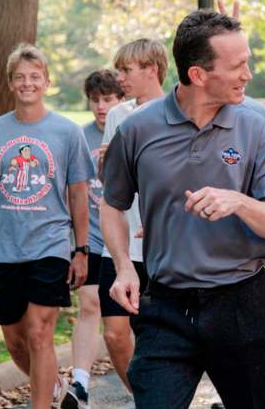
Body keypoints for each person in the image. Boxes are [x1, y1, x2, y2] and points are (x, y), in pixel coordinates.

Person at [100, 9, 265, 409]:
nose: (248, 74)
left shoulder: (254, 128)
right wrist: (122, 266)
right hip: (167, 307)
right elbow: (112, 204)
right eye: (238, 65)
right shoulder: (137, 129)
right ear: (198, 75)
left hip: (243, 304)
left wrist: (238, 201)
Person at [0, 44, 96, 407]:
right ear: (10, 83)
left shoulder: (67, 133)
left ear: (47, 82)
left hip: (50, 245)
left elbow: (79, 194)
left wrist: (81, 249)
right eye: (20, 77)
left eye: (35, 77)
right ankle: (54, 388)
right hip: (5, 248)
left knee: (40, 333)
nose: (27, 83)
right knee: (16, 341)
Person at [98, 38, 168, 394]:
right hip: (120, 241)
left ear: (152, 69)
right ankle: (145, 398)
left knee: (153, 335)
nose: (120, 78)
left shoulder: (176, 113)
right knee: (113, 333)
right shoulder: (117, 116)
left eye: (126, 70)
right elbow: (110, 185)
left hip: (158, 247)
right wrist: (105, 165)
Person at [62, 70, 124, 408]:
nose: (101, 107)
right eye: (95, 100)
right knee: (89, 304)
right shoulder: (79, 137)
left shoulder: (129, 131)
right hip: (91, 238)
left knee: (123, 325)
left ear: (120, 99)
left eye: (108, 99)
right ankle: (81, 383)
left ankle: (142, 387)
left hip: (127, 243)